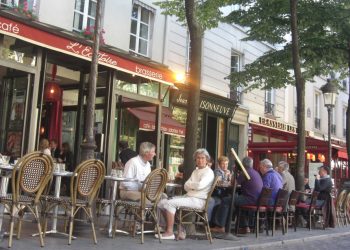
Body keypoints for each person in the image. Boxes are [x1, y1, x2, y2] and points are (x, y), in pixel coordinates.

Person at [157, 148, 214, 240]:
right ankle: (180, 228)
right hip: (189, 197)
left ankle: (170, 232)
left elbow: (200, 186)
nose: (200, 160)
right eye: (198, 158)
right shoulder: (195, 171)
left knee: (169, 203)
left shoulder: (208, 172)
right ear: (195, 160)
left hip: (199, 200)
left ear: (207, 159)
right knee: (161, 203)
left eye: (202, 158)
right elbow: (185, 186)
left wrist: (191, 185)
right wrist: (193, 186)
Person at [211, 157, 263, 234]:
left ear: (242, 164)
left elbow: (233, 184)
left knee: (226, 200)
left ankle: (220, 226)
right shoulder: (255, 172)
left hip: (249, 199)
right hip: (257, 199)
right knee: (235, 203)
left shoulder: (245, 172)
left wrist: (235, 171)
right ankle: (245, 227)